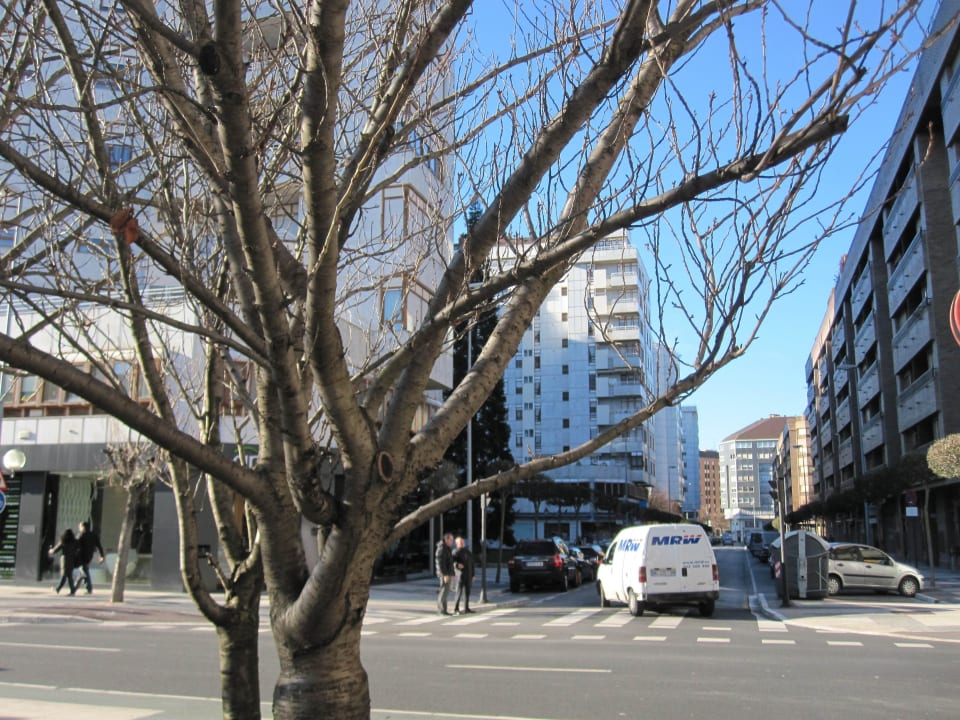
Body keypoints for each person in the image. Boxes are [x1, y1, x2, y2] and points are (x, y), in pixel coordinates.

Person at [77, 521, 105, 594]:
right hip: (89, 555)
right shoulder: (94, 535)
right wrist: (101, 555)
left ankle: (89, 588)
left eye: (80, 527)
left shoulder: (81, 535)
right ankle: (74, 587)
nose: (79, 528)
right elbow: (99, 546)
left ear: (83, 527)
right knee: (83, 570)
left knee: (84, 571)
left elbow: (76, 545)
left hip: (81, 555)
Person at [49, 528, 79, 596]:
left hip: (64, 559)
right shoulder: (75, 541)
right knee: (69, 575)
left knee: (65, 575)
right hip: (72, 559)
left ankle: (59, 589)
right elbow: (78, 549)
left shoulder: (63, 541)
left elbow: (55, 550)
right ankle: (70, 590)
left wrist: (50, 551)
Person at [453, 536, 475, 614]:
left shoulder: (468, 552)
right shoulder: (455, 552)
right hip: (460, 575)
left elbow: (472, 564)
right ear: (457, 544)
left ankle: (466, 608)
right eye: (460, 542)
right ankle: (456, 609)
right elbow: (453, 562)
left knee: (467, 592)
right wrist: (457, 565)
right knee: (459, 592)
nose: (462, 543)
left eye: (463, 542)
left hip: (468, 575)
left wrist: (473, 575)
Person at [435, 533, 455, 615]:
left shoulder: (447, 548)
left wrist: (452, 573)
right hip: (444, 574)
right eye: (451, 540)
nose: (452, 542)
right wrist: (445, 574)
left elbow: (449, 562)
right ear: (446, 539)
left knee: (446, 591)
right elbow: (440, 563)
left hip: (448, 573)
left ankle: (444, 610)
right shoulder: (442, 548)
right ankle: (441, 610)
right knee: (444, 591)